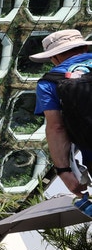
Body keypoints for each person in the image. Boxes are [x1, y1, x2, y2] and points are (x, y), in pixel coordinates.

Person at [32, 29, 92, 196]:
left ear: (54, 57)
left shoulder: (49, 83)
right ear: (85, 48)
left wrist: (64, 171)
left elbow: (56, 128)